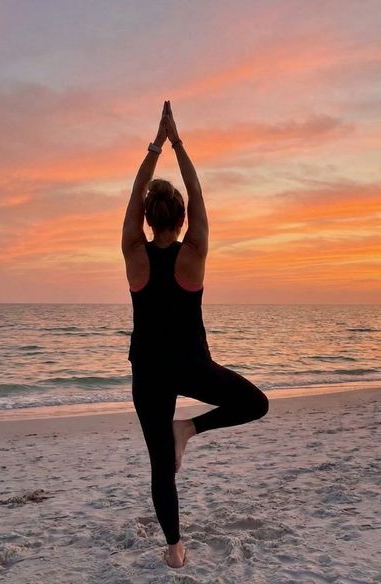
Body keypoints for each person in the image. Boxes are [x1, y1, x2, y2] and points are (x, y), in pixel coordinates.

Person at [121, 101, 269, 569]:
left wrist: (154, 147)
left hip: (149, 372)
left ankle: (174, 549)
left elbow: (136, 190)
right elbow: (198, 192)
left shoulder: (133, 252)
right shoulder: (196, 251)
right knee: (255, 403)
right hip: (192, 366)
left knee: (161, 467)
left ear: (147, 220)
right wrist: (177, 142)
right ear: (182, 221)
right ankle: (191, 428)